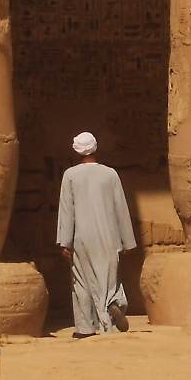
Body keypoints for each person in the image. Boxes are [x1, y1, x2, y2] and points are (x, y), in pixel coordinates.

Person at [56, 132, 136, 338]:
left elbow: (67, 210)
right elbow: (121, 208)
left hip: (81, 237)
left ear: (75, 151)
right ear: (95, 148)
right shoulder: (110, 174)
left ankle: (85, 328)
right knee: (108, 279)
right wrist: (127, 241)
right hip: (109, 237)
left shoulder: (70, 175)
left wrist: (64, 241)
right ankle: (113, 307)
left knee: (81, 280)